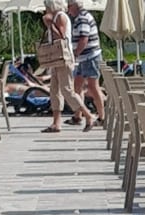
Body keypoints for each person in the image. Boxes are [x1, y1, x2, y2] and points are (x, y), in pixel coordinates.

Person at [40, 0, 92, 132]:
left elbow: (61, 36)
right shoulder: (57, 17)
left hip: (64, 58)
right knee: (54, 90)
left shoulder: (61, 17)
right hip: (57, 59)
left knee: (67, 90)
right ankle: (56, 122)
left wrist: (49, 24)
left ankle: (88, 115)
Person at [67, 0, 105, 127]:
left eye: (69, 6)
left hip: (90, 57)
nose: (68, 9)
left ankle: (102, 117)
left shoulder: (82, 18)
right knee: (77, 86)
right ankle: (78, 116)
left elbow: (84, 39)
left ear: (75, 6)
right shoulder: (80, 17)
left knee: (93, 87)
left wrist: (75, 54)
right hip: (84, 58)